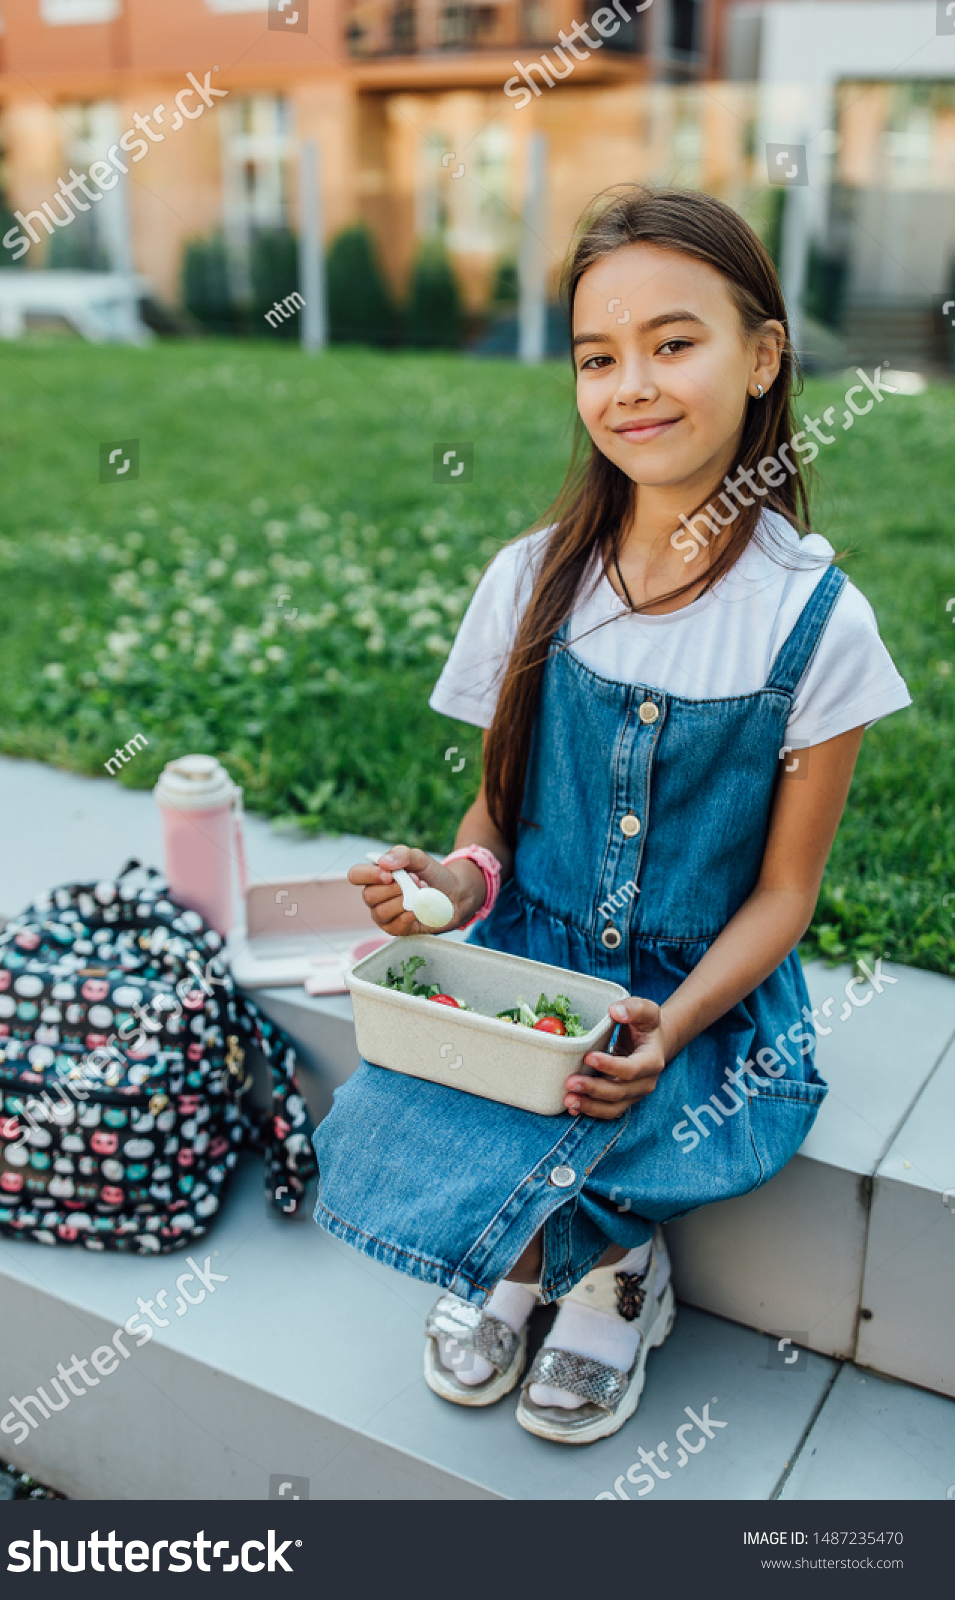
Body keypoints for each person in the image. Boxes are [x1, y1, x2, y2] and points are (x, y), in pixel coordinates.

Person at [312, 185, 910, 1445]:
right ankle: (530, 1260)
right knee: (443, 1087)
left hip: (693, 992)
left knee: (632, 1101)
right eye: (597, 356)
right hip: (532, 954)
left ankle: (608, 1275)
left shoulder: (817, 625)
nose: (630, 382)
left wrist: (668, 1019)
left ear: (761, 356)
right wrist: (452, 890)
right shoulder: (531, 581)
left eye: (672, 343)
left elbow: (783, 899)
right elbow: (493, 815)